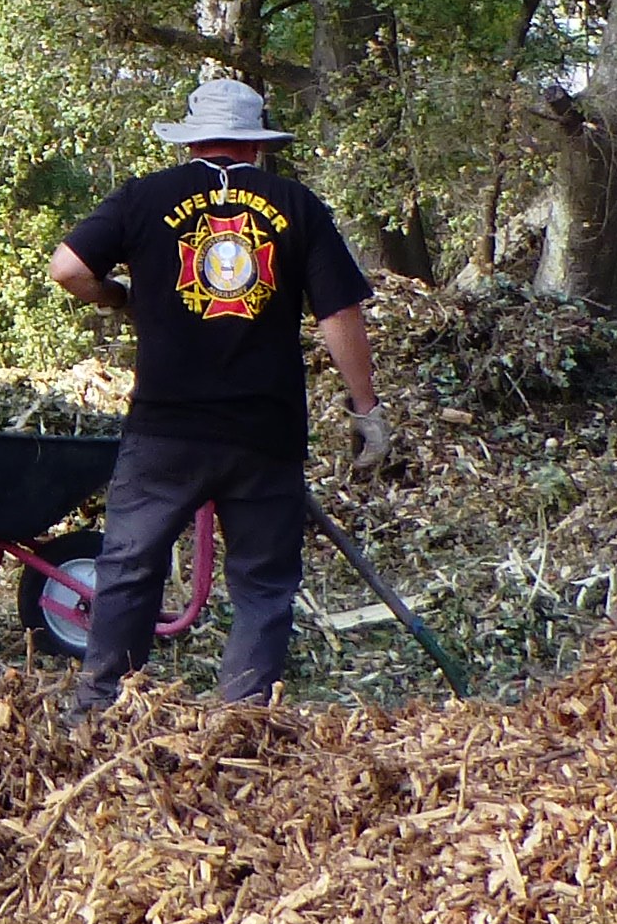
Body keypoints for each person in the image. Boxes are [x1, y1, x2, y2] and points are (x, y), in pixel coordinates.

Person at [48, 74, 389, 718]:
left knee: (128, 568)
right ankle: (244, 719)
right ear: (255, 146)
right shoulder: (297, 205)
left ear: (190, 141)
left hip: (166, 431)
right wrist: (366, 410)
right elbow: (339, 313)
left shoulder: (145, 197)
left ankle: (98, 710)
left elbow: (69, 269)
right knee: (262, 583)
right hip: (265, 430)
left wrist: (117, 296)